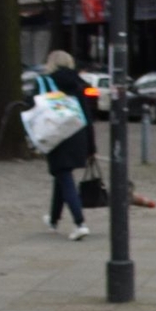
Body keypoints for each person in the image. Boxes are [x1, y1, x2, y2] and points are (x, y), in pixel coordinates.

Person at [37, 49, 97, 240]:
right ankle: (54, 219)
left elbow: (36, 108)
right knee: (62, 175)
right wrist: (91, 145)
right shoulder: (79, 84)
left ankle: (80, 223)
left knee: (63, 175)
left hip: (56, 134)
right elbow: (87, 115)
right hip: (77, 133)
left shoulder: (47, 82)